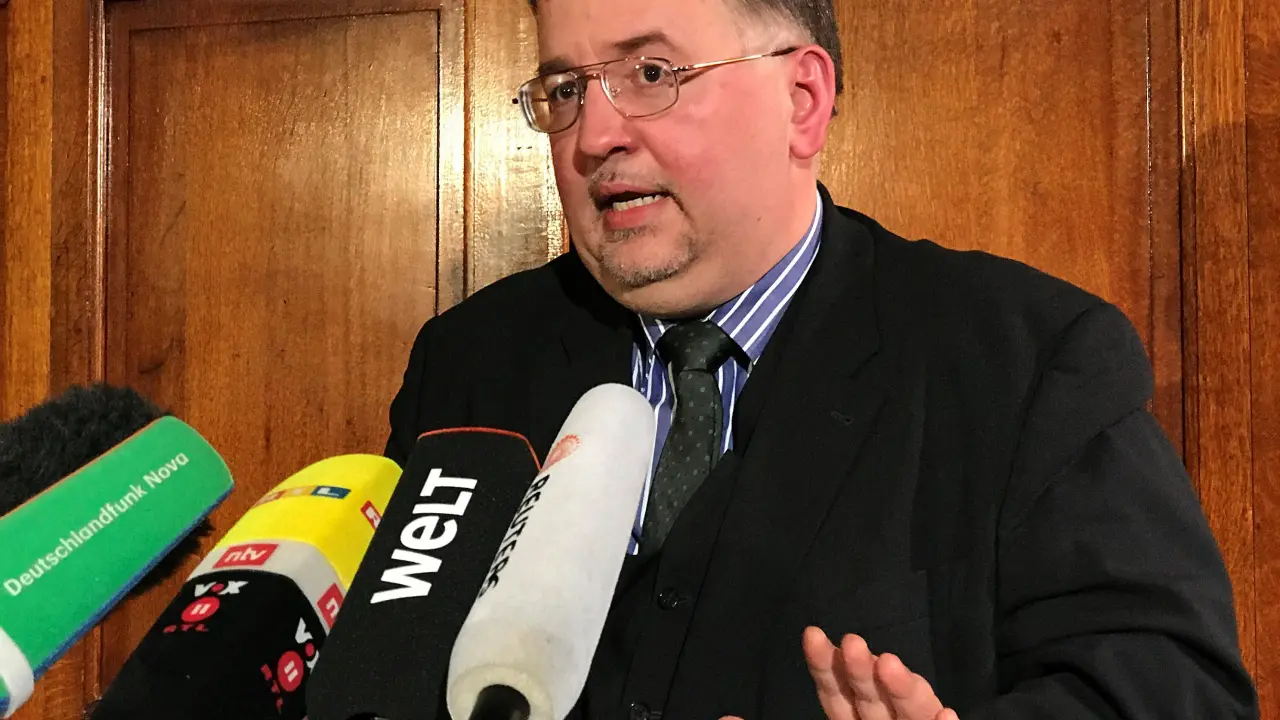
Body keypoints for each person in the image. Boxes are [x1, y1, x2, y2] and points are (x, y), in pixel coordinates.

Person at [384, 0, 1258, 716]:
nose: (593, 136)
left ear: (802, 99)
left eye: (651, 74)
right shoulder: (469, 361)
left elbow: (1175, 693)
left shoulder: (1025, 359)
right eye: (568, 89)